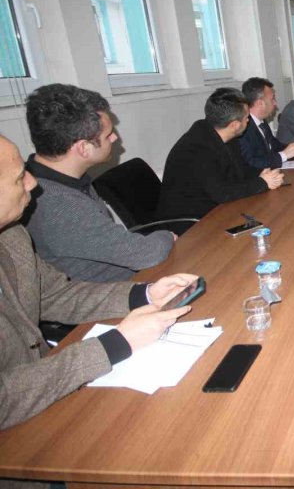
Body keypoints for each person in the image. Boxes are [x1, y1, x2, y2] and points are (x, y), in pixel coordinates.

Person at [0, 133, 196, 431]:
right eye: (18, 178)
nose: (33, 183)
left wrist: (144, 294)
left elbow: (54, 294)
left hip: (48, 397)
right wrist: (115, 344)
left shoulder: (11, 236)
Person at [21, 84, 174, 283]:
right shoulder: (57, 204)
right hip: (114, 292)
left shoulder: (62, 178)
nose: (115, 137)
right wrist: (168, 236)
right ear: (83, 148)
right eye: (108, 135)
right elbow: (145, 254)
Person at [157, 88, 284, 225]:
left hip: (217, 210)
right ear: (234, 125)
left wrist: (261, 173)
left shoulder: (224, 134)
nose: (248, 121)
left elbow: (241, 169)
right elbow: (222, 193)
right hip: (190, 223)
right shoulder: (196, 150)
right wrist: (262, 182)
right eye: (246, 118)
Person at [239, 77, 294, 170]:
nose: (275, 103)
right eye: (272, 99)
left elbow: (275, 146)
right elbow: (251, 163)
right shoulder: (243, 128)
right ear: (260, 103)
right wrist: (284, 155)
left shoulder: (261, 122)